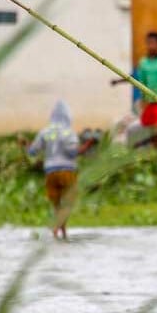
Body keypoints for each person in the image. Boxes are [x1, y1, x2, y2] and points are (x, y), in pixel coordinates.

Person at [21, 100, 94, 240]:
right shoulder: (69, 132)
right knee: (67, 203)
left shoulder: (45, 132)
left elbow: (32, 151)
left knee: (57, 205)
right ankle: (57, 229)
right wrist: (88, 144)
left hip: (51, 173)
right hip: (67, 172)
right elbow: (72, 152)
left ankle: (61, 232)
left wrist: (26, 145)